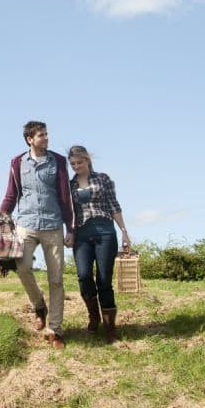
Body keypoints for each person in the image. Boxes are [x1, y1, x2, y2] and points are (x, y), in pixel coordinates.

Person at [0, 121, 75, 349]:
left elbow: (65, 197)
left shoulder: (58, 162)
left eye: (47, 134)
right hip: (26, 224)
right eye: (42, 135)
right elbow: (11, 195)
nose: (46, 138)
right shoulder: (16, 163)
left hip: (52, 225)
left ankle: (56, 330)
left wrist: (70, 228)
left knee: (56, 279)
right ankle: (39, 305)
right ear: (30, 139)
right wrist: (1, 214)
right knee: (21, 267)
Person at [67, 145, 131, 342]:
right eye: (73, 164)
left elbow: (114, 206)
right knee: (84, 275)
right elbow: (68, 213)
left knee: (104, 279)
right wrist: (69, 232)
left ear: (87, 160)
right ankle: (93, 317)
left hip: (105, 232)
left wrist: (124, 232)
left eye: (79, 162)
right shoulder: (69, 186)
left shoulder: (103, 179)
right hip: (82, 234)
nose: (76, 166)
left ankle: (110, 327)